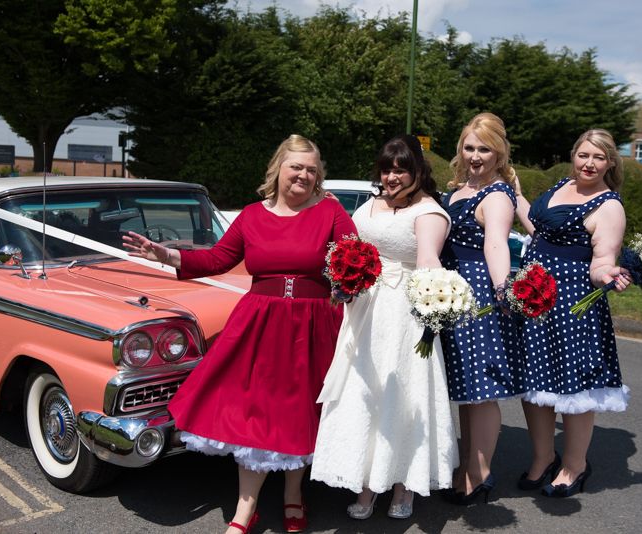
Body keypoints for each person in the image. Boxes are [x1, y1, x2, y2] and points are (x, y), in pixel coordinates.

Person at [123, 134, 356, 534]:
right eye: (296, 167)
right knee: (256, 415)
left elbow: (355, 261)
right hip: (260, 325)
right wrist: (168, 255)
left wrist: (348, 285)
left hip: (315, 325)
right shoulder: (251, 215)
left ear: (319, 177)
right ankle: (245, 512)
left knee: (302, 413)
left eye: (311, 170)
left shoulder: (331, 214)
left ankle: (294, 495)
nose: (303, 175)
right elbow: (217, 258)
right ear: (278, 168)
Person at [310, 135, 458, 521]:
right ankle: (365, 482)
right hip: (365, 309)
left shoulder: (428, 211)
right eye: (387, 168)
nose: (392, 177)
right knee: (363, 392)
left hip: (403, 313)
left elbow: (428, 259)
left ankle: (402, 485)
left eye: (401, 169)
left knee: (402, 392)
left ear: (418, 171)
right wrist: (342, 279)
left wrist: (437, 305)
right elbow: (349, 246)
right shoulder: (370, 205)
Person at [512, 129, 631, 498]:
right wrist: (515, 194)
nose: (589, 164)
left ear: (610, 162)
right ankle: (543, 458)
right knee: (535, 386)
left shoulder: (609, 206)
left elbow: (601, 261)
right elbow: (539, 228)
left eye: (598, 157)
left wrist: (607, 275)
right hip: (534, 299)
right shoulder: (561, 185)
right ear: (573, 156)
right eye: (583, 155)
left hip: (572, 306)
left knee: (574, 391)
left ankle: (574, 465)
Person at [439, 112, 522, 504]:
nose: (475, 156)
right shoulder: (455, 189)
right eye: (469, 147)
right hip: (448, 292)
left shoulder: (498, 195)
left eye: (484, 149)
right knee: (465, 390)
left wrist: (503, 290)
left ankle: (481, 472)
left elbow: (495, 245)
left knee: (481, 390)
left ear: (499, 153)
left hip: (479, 295)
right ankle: (464, 468)